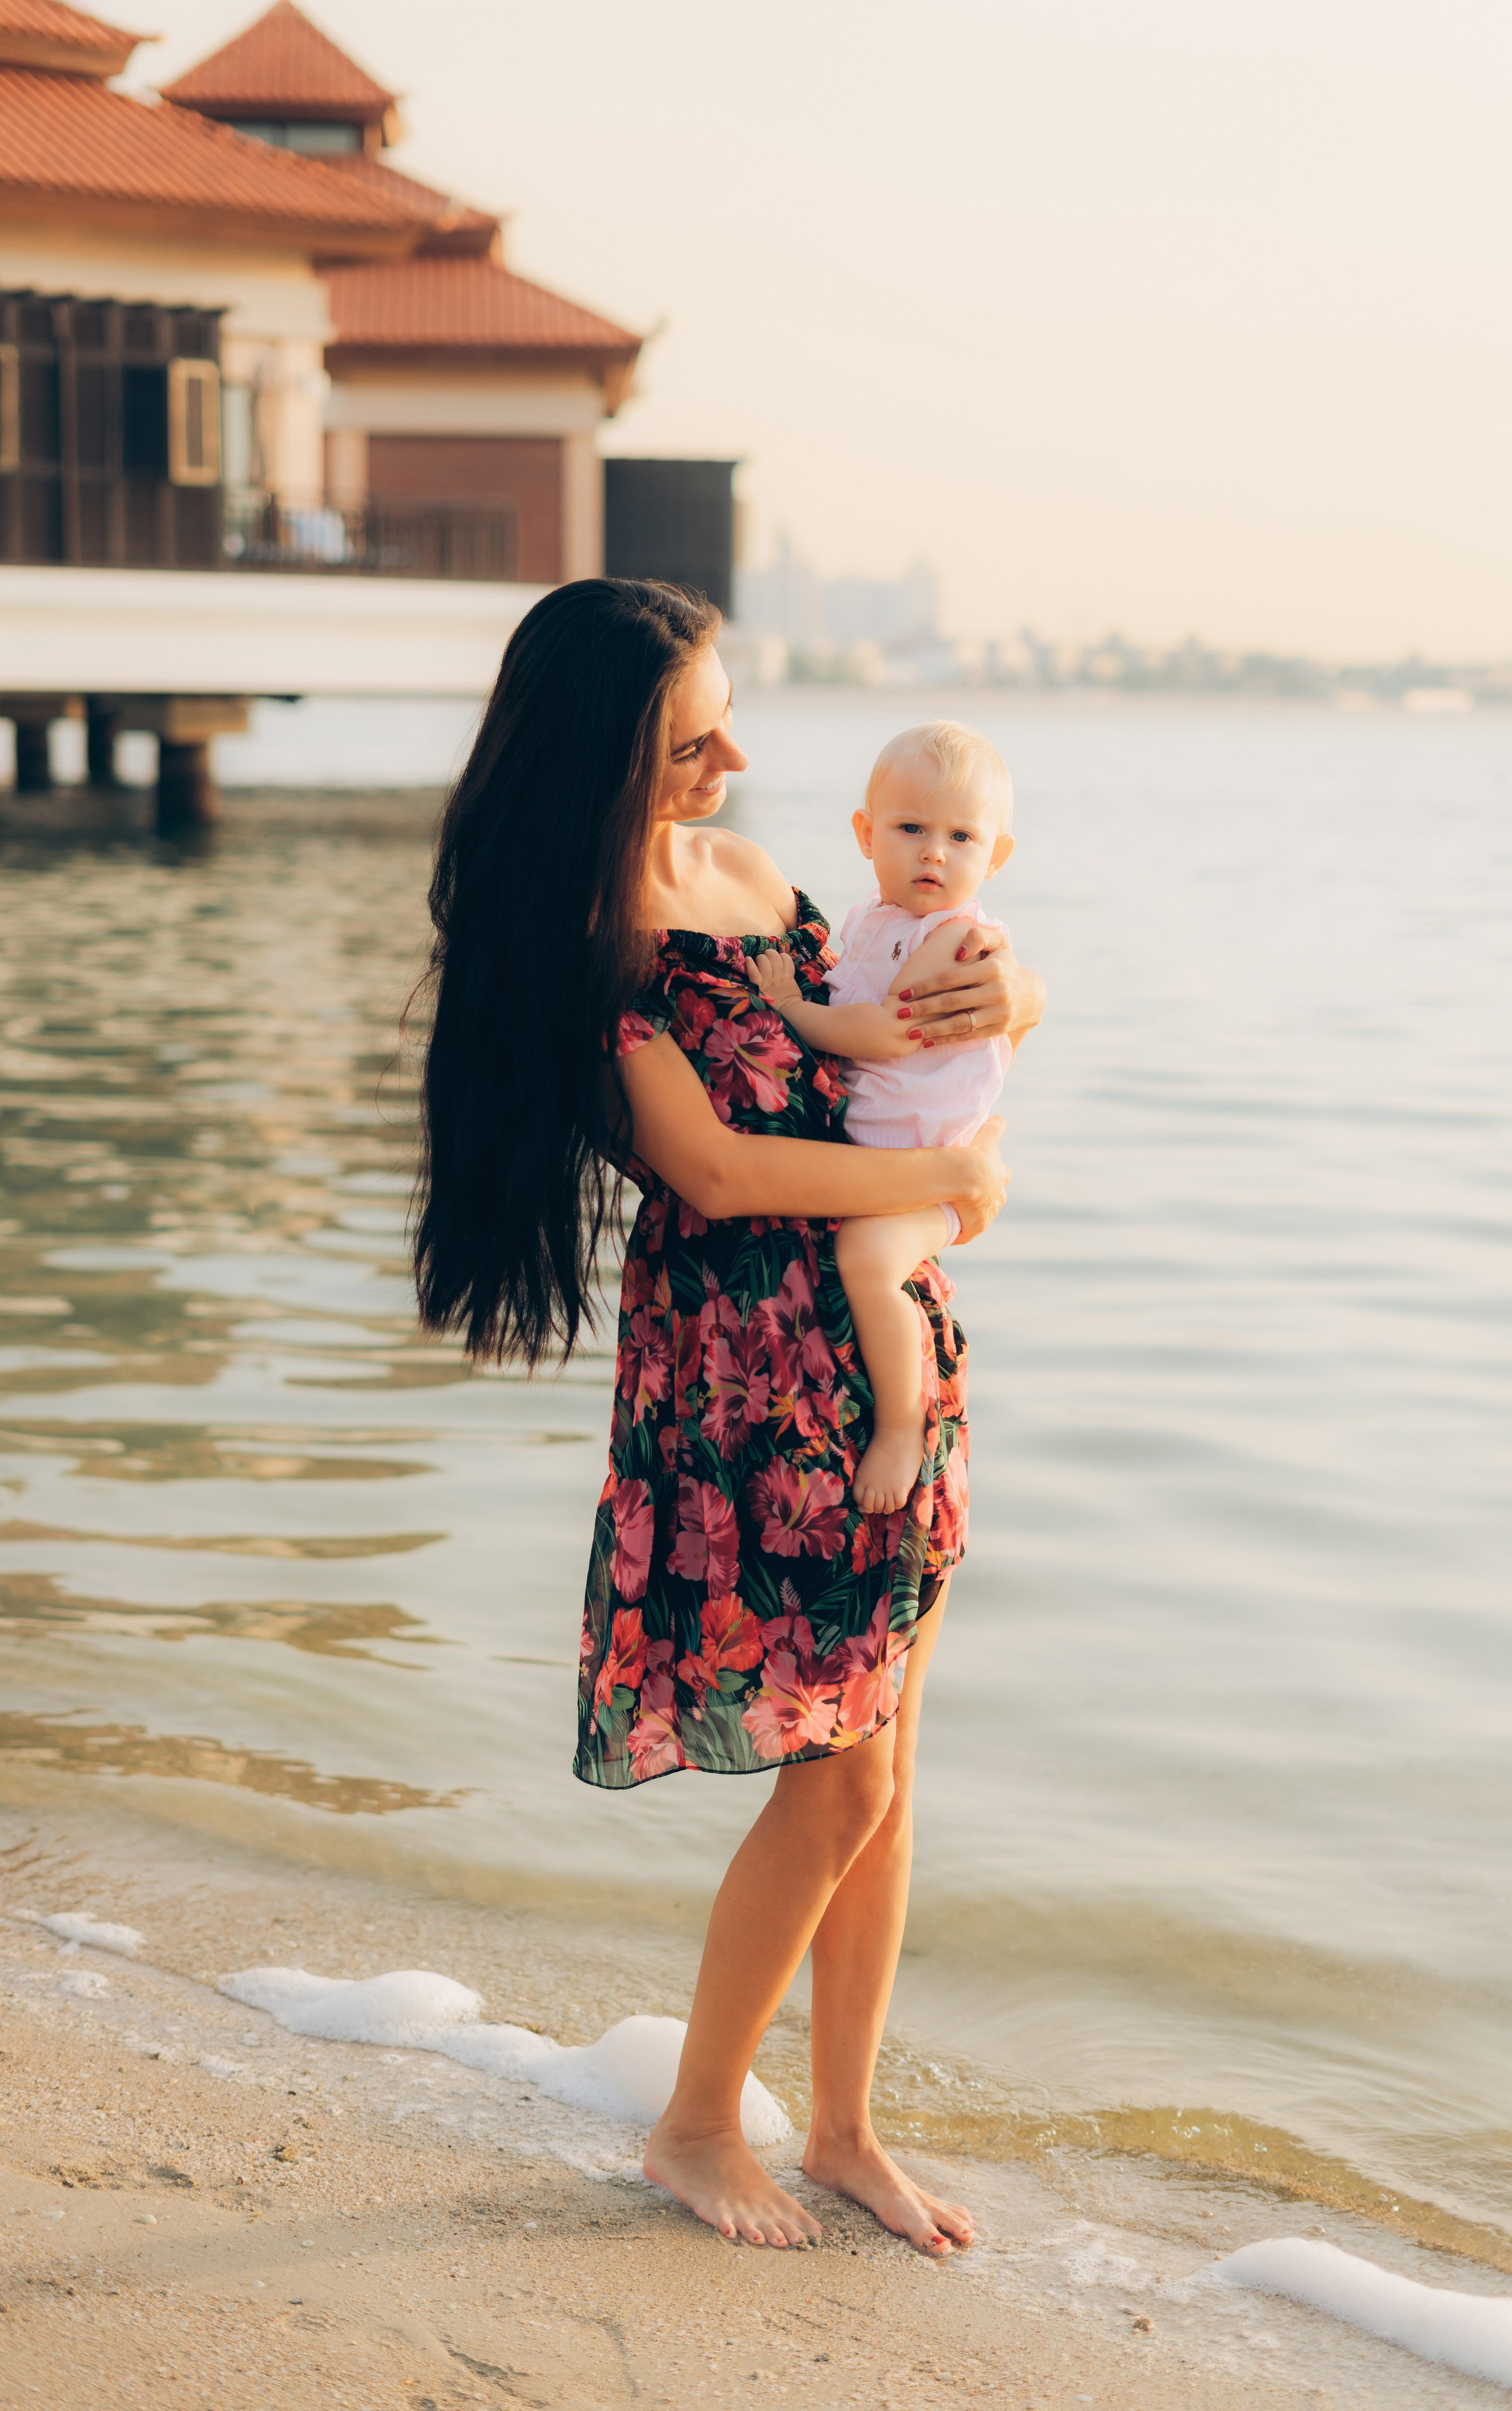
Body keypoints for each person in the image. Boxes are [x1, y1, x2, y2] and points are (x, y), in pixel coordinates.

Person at [414, 579, 1046, 2255]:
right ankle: (698, 2124)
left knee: (887, 1762)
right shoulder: (573, 928)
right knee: (834, 1782)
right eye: (700, 735)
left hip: (882, 1334)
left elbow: (891, 1025)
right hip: (747, 1376)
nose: (739, 757)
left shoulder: (760, 880)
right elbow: (713, 1166)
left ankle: (841, 2126)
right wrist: (952, 1179)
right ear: (616, 744)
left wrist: (1013, 999)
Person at [749, 721, 1017, 1515]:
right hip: (883, 1157)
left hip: (923, 1168)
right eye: (910, 829)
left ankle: (901, 1425)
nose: (934, 853)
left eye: (961, 836)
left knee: (867, 1259)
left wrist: (788, 1007)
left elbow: (887, 1033)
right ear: (866, 836)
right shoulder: (870, 922)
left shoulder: (958, 938)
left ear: (994, 856)